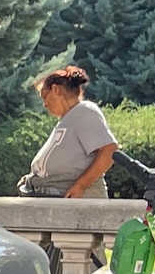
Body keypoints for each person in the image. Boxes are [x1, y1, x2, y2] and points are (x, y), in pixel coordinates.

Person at [18, 66, 117, 197]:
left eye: (44, 97)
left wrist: (80, 185)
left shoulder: (84, 111)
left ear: (55, 90)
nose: (44, 105)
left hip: (77, 203)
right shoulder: (69, 118)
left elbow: (109, 151)